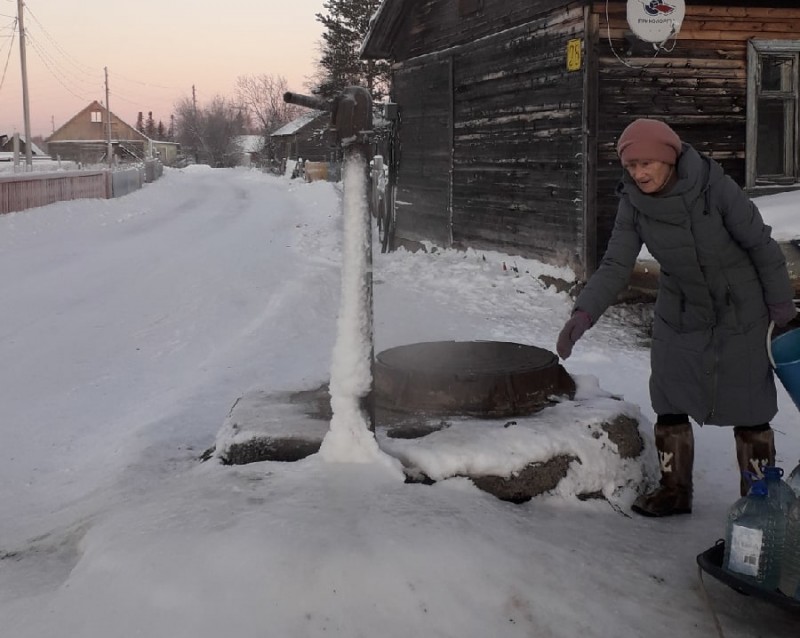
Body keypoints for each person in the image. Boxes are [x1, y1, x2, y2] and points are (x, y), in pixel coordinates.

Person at [556, 118, 797, 517]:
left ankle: (759, 501)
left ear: (668, 159)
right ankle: (674, 490)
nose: (638, 173)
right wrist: (584, 312)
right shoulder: (633, 202)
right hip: (680, 308)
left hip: (740, 308)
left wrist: (781, 308)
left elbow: (761, 246)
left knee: (750, 405)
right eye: (631, 166)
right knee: (669, 394)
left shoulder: (714, 188)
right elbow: (617, 262)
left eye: (646, 163)